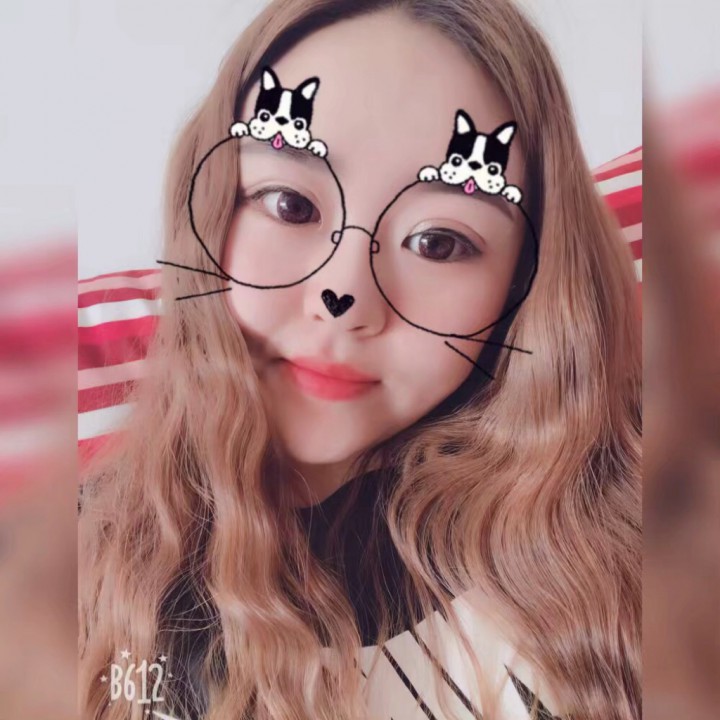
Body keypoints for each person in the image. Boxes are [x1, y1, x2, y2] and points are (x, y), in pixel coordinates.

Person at [78, 1, 641, 719]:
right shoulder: (83, 556)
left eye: (439, 242)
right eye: (290, 204)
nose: (344, 295)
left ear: (524, 282)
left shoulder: (626, 532)